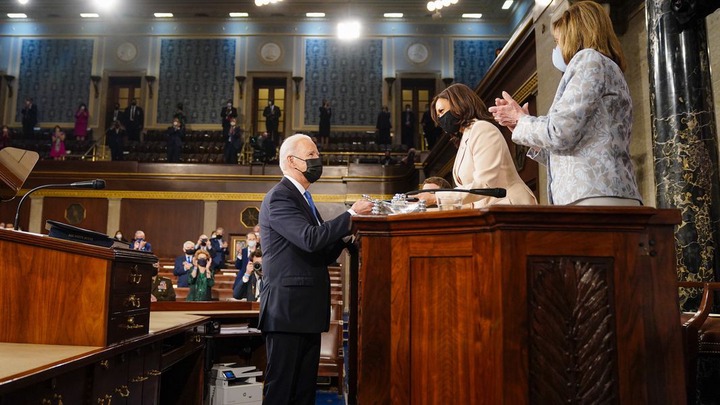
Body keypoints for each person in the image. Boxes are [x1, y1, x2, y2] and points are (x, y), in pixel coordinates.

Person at [489, 1, 642, 206]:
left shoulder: (588, 60)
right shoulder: (603, 64)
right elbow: (568, 147)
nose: (556, 48)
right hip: (598, 193)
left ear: (574, 36)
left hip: (595, 195)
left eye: (557, 40)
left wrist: (523, 120)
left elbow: (560, 132)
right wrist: (523, 127)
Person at [258, 133, 373, 404]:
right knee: (282, 391)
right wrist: (350, 215)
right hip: (287, 311)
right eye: (311, 156)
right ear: (291, 161)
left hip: (305, 310)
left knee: (303, 392)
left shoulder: (304, 200)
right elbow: (310, 239)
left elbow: (320, 251)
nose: (317, 160)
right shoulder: (280, 197)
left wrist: (347, 238)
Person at [426, 83, 537, 208]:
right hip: (490, 212)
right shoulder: (465, 138)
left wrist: (436, 198)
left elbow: (485, 184)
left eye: (442, 111)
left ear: (459, 104)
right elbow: (470, 198)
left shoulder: (482, 129)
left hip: (511, 208)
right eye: (438, 116)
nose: (441, 119)